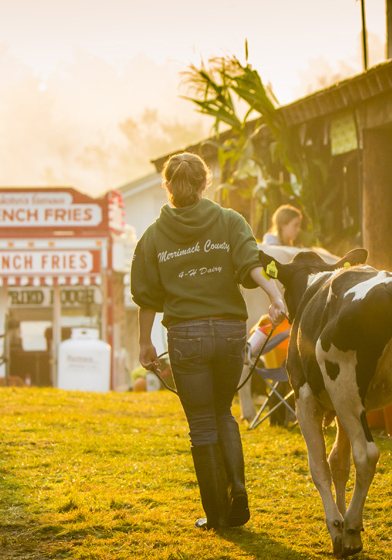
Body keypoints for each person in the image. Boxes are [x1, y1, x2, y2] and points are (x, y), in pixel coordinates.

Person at [131, 152, 286, 531]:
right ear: (205, 183)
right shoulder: (229, 220)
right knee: (223, 412)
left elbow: (147, 296)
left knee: (201, 422)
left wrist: (145, 342)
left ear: (167, 186)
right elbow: (250, 262)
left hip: (186, 335)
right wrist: (274, 294)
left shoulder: (153, 235)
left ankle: (217, 515)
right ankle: (238, 493)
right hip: (231, 331)